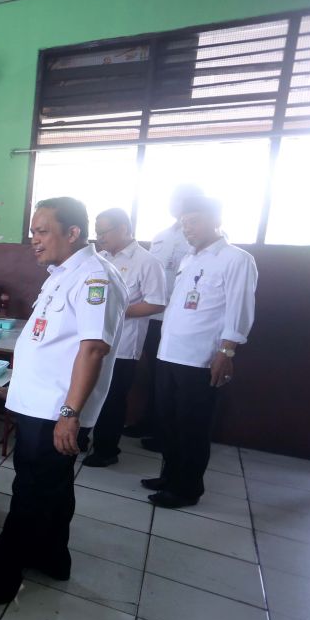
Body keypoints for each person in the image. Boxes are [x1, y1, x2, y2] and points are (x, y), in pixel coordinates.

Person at [0, 197, 125, 613]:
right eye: (33, 231)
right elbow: (50, 343)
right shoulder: (62, 274)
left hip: (55, 412)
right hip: (38, 405)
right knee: (54, 487)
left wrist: (69, 413)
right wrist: (20, 389)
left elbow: (93, 349)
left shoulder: (94, 278)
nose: (34, 239)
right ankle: (51, 556)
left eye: (42, 231)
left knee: (30, 494)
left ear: (73, 233)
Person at [144, 196, 257, 509]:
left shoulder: (236, 259)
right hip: (169, 353)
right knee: (168, 421)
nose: (187, 228)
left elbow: (240, 309)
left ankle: (187, 488)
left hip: (200, 358)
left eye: (193, 221)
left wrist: (227, 352)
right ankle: (170, 476)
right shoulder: (189, 259)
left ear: (214, 219)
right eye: (183, 223)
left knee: (192, 426)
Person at [83, 209, 166, 467]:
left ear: (123, 229)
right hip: (92, 341)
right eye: (96, 232)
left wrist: (118, 310)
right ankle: (81, 438)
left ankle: (107, 450)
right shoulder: (99, 258)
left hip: (123, 345)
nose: (99, 237)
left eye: (103, 232)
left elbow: (157, 303)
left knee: (112, 398)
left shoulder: (147, 261)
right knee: (86, 391)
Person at [125, 188, 195, 439]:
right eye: (173, 201)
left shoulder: (199, 235)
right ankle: (150, 422)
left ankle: (164, 431)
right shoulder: (162, 235)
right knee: (153, 374)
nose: (174, 205)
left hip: (180, 319)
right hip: (151, 316)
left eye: (180, 200)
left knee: (173, 378)